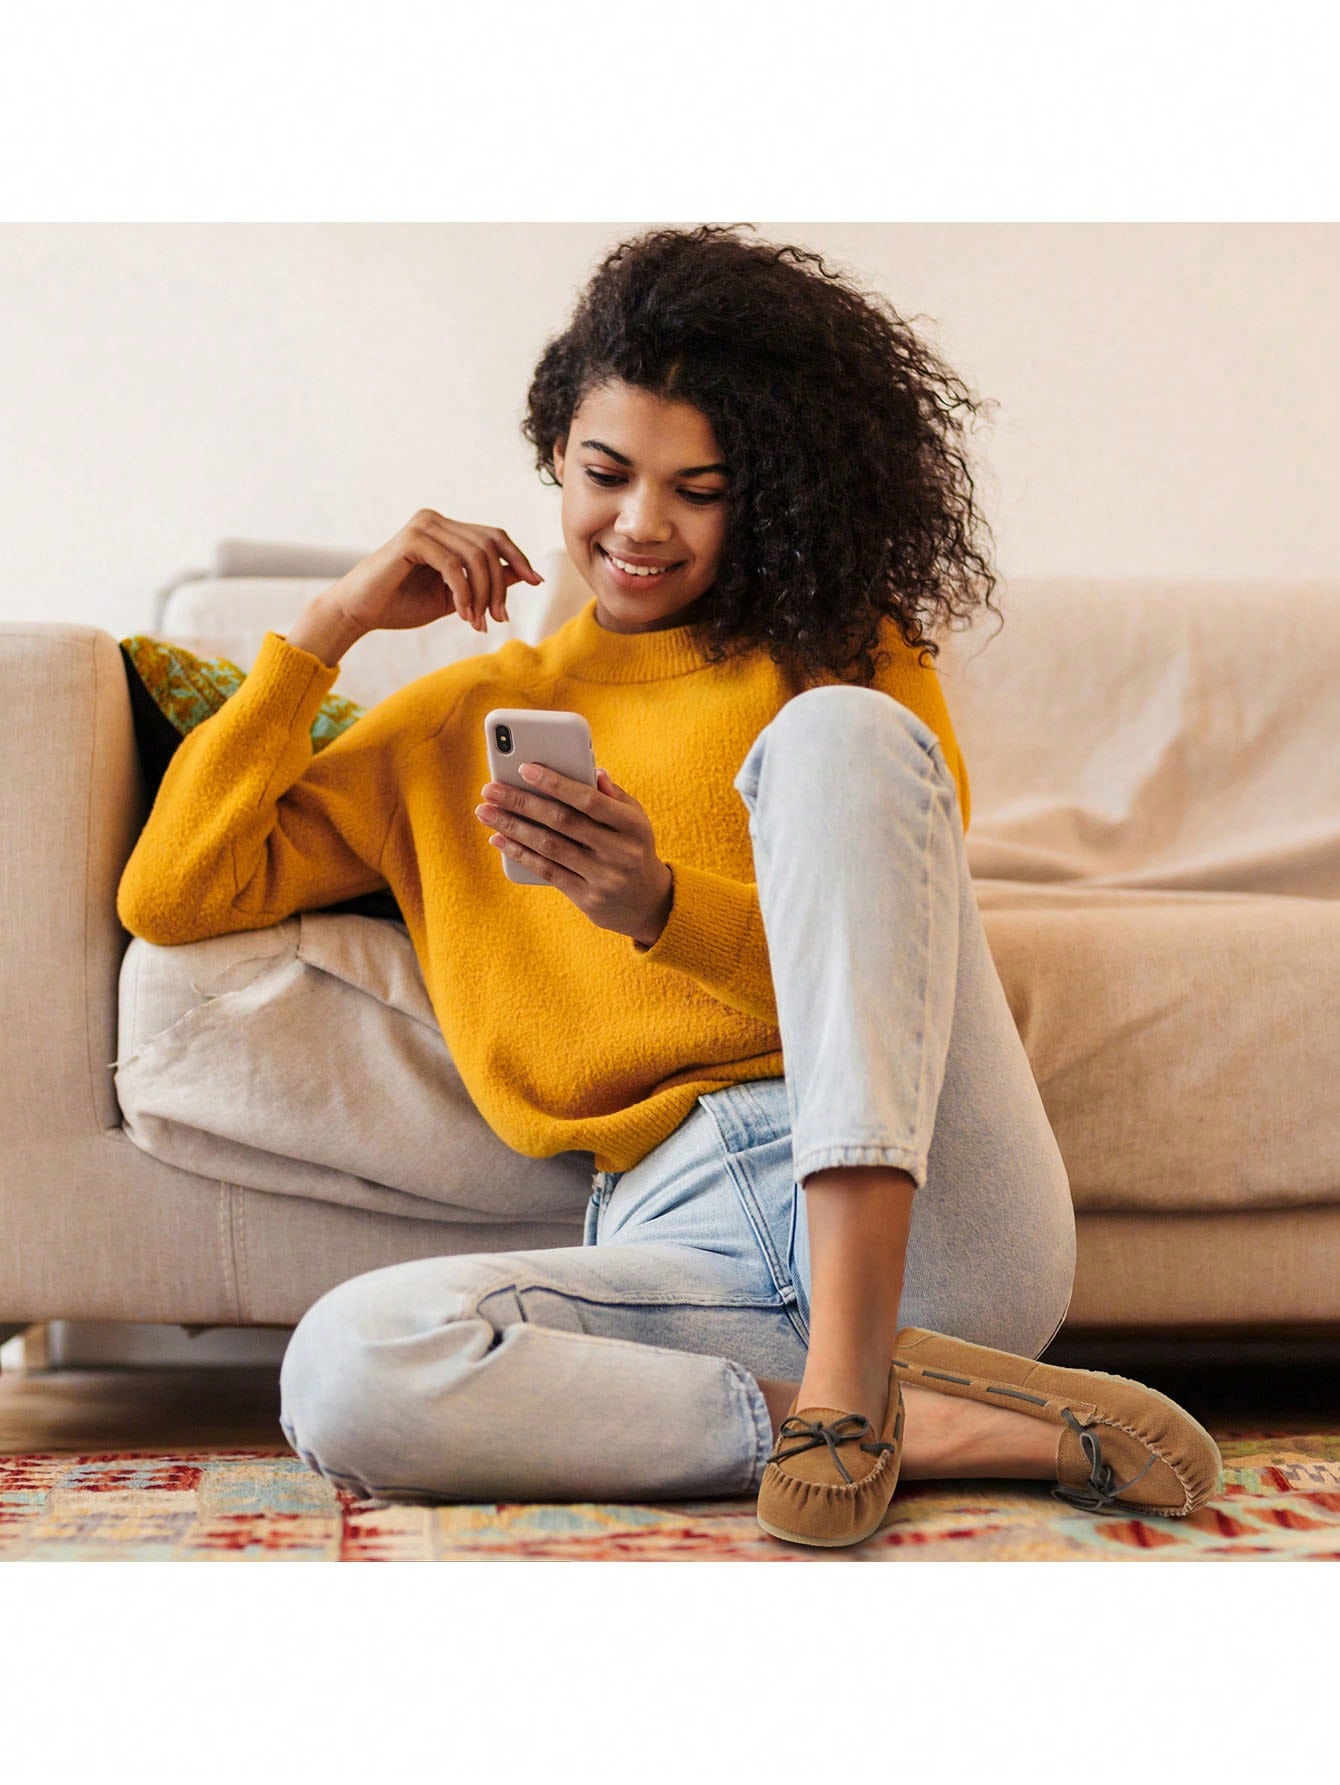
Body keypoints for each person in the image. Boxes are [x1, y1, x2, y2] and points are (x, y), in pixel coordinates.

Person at [117, 223, 1221, 1547]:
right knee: (344, 1362)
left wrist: (657, 905)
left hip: (933, 1208)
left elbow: (888, 954)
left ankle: (856, 1373)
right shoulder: (451, 725)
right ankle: (876, 1416)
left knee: (835, 738)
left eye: (699, 488)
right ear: (554, 460)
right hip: (679, 1244)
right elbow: (173, 893)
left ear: (768, 492)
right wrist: (328, 624)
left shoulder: (839, 657)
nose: (640, 525)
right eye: (606, 473)